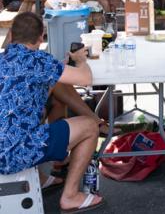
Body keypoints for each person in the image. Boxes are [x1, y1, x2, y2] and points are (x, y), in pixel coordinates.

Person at [0, 12, 104, 212]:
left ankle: (46, 172)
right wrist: (81, 60)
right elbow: (85, 79)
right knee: (89, 127)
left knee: (55, 98)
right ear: (41, 38)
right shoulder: (39, 61)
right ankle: (70, 196)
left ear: (11, 35)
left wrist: (58, 70)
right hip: (13, 154)